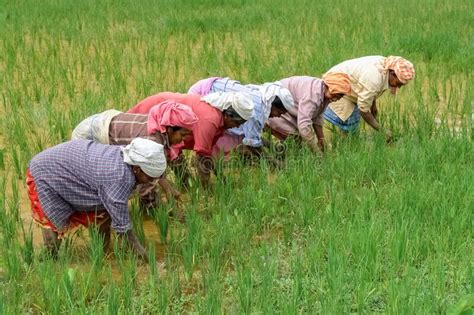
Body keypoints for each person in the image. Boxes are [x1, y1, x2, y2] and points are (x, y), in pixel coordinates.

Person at [26, 138, 167, 260]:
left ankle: (102, 254)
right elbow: (124, 229)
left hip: (75, 168)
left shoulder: (128, 159)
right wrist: (149, 261)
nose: (151, 182)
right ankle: (49, 259)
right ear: (136, 168)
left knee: (103, 215)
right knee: (53, 222)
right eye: (149, 177)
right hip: (46, 172)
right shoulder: (118, 177)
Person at [71, 101, 198, 208]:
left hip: (100, 121)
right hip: (90, 135)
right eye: (182, 135)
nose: (184, 140)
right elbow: (146, 181)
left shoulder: (159, 125)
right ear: (169, 129)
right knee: (113, 181)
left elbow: (156, 171)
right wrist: (154, 208)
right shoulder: (152, 142)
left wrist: (168, 189)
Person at [128, 92, 254, 188]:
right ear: (228, 115)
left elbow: (208, 154)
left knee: (178, 165)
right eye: (238, 122)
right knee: (148, 161)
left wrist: (222, 179)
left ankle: (184, 186)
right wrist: (207, 189)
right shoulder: (210, 119)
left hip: (171, 125)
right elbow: (202, 156)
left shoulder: (219, 120)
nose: (238, 126)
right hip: (155, 113)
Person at [188, 77, 294, 156]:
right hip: (202, 95)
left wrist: (272, 146)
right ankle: (206, 159)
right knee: (220, 136)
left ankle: (212, 159)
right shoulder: (257, 110)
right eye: (280, 112)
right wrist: (277, 164)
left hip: (206, 86)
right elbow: (253, 144)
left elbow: (252, 134)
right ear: (273, 105)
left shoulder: (262, 97)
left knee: (237, 134)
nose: (279, 116)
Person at [322, 55, 415, 142]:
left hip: (351, 84)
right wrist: (382, 131)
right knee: (348, 121)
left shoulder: (385, 67)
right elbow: (364, 110)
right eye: (398, 84)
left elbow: (370, 92)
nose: (398, 87)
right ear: (392, 73)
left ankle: (347, 141)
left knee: (351, 123)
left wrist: (373, 107)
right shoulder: (374, 79)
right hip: (336, 85)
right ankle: (342, 144)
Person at [266, 73, 352, 153]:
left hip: (288, 108)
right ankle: (280, 155)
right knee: (296, 139)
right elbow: (303, 125)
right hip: (274, 106)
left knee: (302, 140)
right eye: (338, 94)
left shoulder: (323, 92)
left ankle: (282, 151)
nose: (339, 98)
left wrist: (321, 139)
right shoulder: (312, 96)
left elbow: (316, 115)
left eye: (342, 95)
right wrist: (317, 152)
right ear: (330, 87)